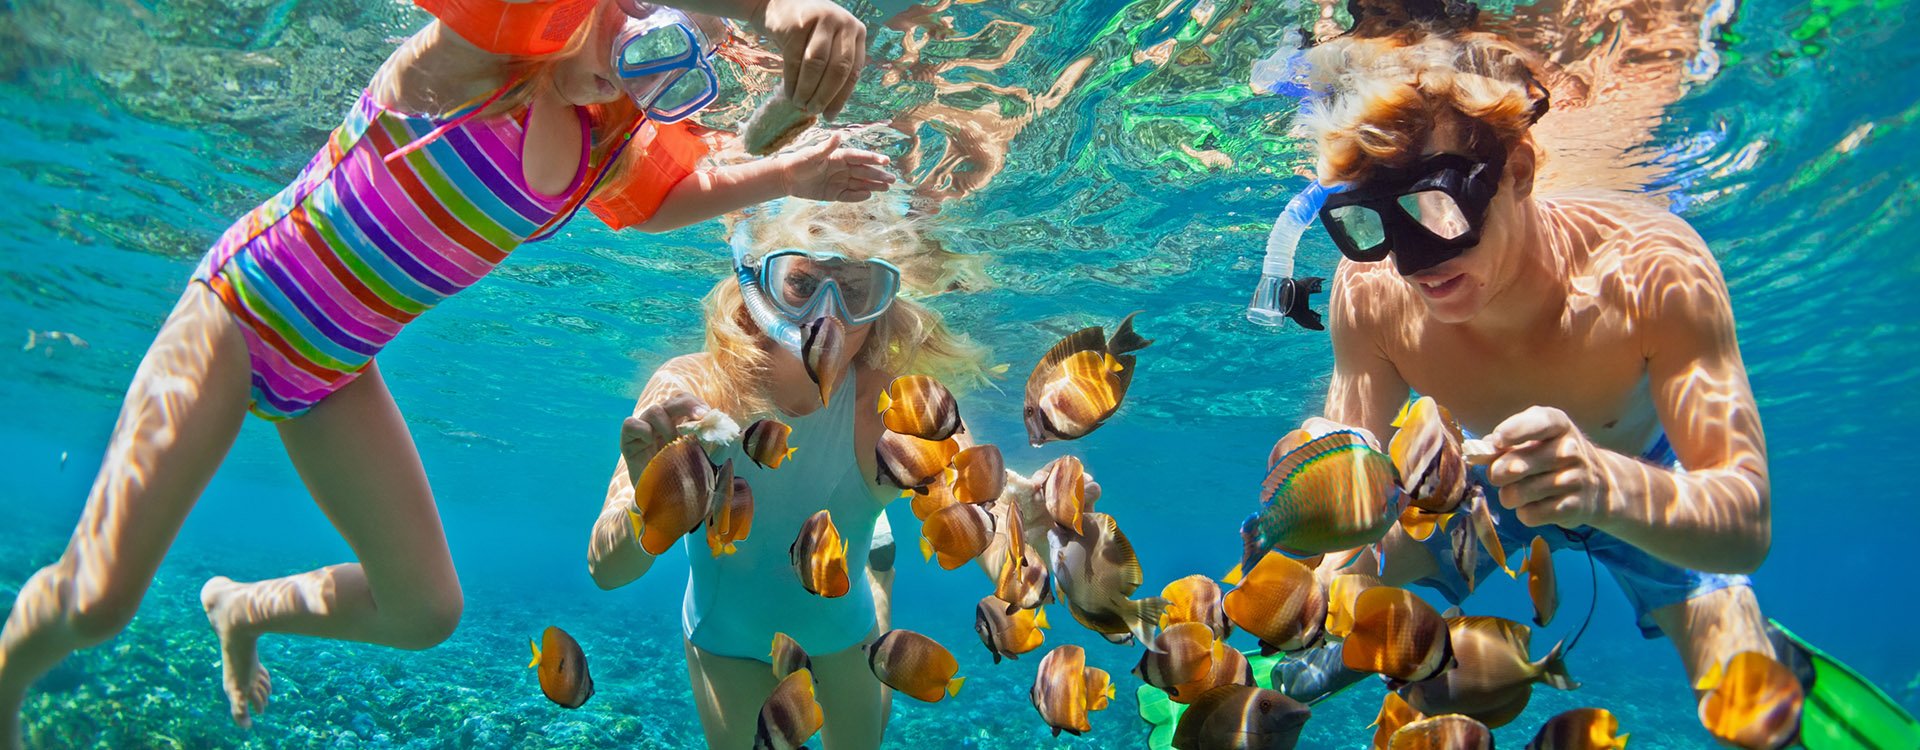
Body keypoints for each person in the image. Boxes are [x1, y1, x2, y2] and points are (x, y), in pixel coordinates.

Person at [0, 0, 893, 743]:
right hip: (239, 314)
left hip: (335, 371)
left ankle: (243, 608)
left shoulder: (600, 148)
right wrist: (772, 10)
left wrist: (789, 171)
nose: (631, 75)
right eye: (637, 37)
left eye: (668, 71)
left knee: (424, 609)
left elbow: (674, 199)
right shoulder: (478, 57)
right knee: (97, 600)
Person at [1276, 0, 1780, 704]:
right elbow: (1360, 514)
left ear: (1516, 171)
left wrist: (1606, 489)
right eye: (1374, 224)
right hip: (1471, 484)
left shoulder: (1650, 268)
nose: (1414, 266)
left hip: (1644, 478)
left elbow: (1746, 521)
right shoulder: (1369, 292)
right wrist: (1323, 582)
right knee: (1404, 666)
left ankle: (1739, 631)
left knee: (1744, 697)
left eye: (1439, 208)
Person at [585, 197, 989, 749]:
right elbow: (606, 571)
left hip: (841, 631)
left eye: (852, 291)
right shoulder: (692, 391)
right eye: (802, 284)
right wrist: (649, 504)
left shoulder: (891, 399)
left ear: (879, 309)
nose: (825, 315)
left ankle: (877, 577)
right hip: (725, 640)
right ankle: (872, 552)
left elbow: (977, 497)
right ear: (757, 288)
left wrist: (1025, 532)